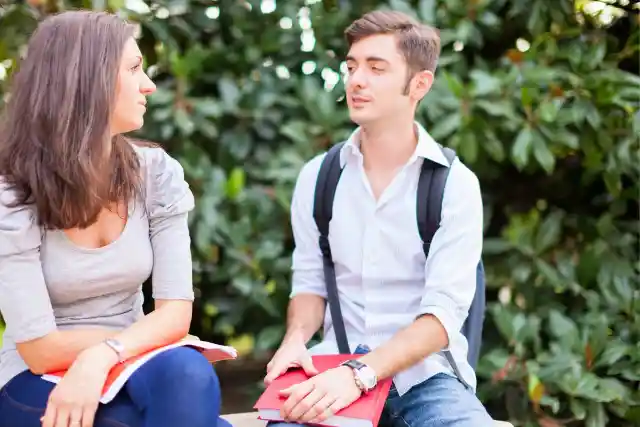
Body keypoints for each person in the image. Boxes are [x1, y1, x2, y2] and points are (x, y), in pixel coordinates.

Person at [264, 10, 495, 427]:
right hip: (332, 367)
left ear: (418, 85)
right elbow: (310, 283)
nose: (356, 80)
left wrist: (361, 375)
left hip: (426, 378)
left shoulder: (455, 185)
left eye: (376, 68)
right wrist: (296, 340)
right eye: (352, 66)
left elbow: (442, 319)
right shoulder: (318, 176)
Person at [0, 11, 229, 427]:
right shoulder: (11, 193)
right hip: (34, 376)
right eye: (134, 68)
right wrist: (139, 340)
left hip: (134, 358)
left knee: (190, 376)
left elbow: (175, 315)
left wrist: (103, 354)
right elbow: (38, 348)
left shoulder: (156, 173)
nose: (149, 85)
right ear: (88, 79)